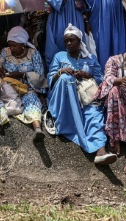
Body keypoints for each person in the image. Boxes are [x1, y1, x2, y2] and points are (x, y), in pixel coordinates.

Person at [47, 24, 116, 164]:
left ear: (80, 41)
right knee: (66, 79)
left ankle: (101, 151)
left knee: (94, 115)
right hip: (65, 99)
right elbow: (50, 80)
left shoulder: (90, 58)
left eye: (72, 40)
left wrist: (87, 75)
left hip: (86, 98)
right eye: (66, 41)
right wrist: (60, 72)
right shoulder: (59, 56)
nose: (68, 43)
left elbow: (101, 79)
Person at [0, 26, 47, 139]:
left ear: (23, 44)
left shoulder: (34, 54)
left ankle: (37, 128)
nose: (11, 48)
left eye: (14, 45)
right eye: (10, 45)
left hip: (26, 88)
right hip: (8, 87)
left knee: (32, 101)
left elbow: (39, 76)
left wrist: (21, 75)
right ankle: (2, 122)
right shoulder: (5, 52)